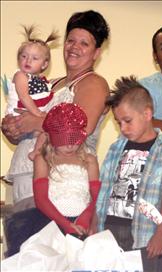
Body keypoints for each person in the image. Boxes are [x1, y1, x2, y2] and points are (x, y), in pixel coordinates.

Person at [2, 9, 109, 238]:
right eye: (71, 40)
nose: (74, 47)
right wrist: (14, 126)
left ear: (97, 52)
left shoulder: (94, 83)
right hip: (25, 178)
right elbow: (30, 123)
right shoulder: (50, 83)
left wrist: (33, 122)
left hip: (58, 186)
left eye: (84, 43)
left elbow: (82, 127)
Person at [95, 76, 162, 271]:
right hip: (110, 229)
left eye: (127, 121)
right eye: (118, 123)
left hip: (144, 233)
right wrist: (94, 224)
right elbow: (104, 188)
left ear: (147, 114)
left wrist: (160, 234)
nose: (123, 128)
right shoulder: (116, 148)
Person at [5, 103, 100, 257]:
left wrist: (85, 218)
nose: (70, 145)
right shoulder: (43, 159)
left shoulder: (89, 160)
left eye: (74, 138)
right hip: (49, 223)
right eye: (63, 139)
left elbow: (94, 196)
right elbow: (41, 199)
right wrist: (64, 224)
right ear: (50, 136)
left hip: (81, 224)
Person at [5, 25, 58, 118]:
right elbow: (24, 97)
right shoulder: (21, 76)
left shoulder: (40, 80)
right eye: (24, 56)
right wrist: (38, 113)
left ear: (44, 64)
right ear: (18, 59)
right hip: (19, 117)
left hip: (33, 117)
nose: (28, 61)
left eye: (35, 58)